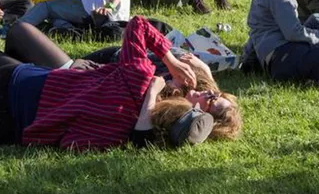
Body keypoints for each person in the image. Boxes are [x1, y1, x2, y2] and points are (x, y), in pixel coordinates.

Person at [0, 16, 241, 149]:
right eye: (216, 93)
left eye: (212, 100)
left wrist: (170, 63)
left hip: (24, 85)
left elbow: (138, 25)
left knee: (19, 34)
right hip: (20, 124)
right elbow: (71, 142)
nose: (209, 93)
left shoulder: (139, 80)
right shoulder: (131, 134)